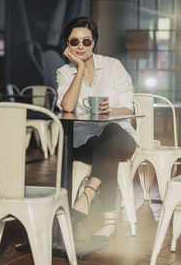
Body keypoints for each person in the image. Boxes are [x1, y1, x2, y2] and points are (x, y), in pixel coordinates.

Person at [56, 16, 139, 241]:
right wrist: (80, 68)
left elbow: (127, 107)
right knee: (105, 151)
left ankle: (88, 192)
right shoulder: (65, 73)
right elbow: (67, 106)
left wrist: (109, 109)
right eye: (75, 42)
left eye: (86, 41)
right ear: (67, 44)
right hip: (85, 141)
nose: (81, 46)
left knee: (111, 132)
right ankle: (109, 222)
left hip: (121, 138)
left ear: (94, 43)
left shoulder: (113, 66)